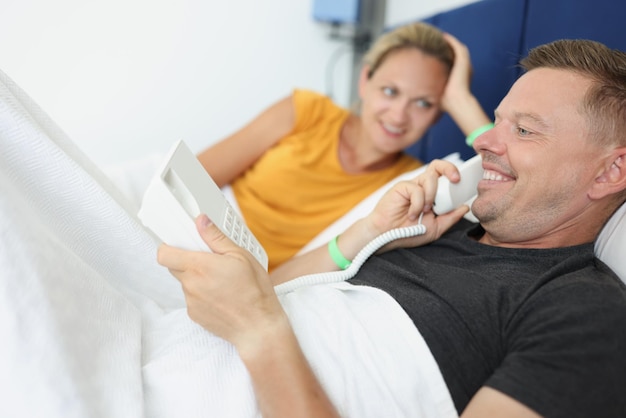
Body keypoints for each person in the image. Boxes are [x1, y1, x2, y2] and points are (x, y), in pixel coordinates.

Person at [157, 38, 626, 417]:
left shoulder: (584, 312)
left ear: (610, 173)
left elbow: (255, 314)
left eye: (524, 130)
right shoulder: (434, 226)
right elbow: (261, 294)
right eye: (496, 122)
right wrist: (370, 232)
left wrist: (260, 332)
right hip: (172, 350)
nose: (483, 143)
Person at [196, 21, 491, 271]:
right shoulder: (306, 111)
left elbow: (505, 183)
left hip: (257, 280)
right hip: (199, 235)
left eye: (423, 103)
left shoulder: (412, 187)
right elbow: (195, 177)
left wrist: (462, 103)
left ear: (439, 114)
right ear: (365, 80)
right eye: (390, 91)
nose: (399, 115)